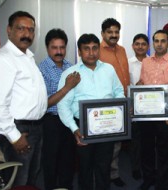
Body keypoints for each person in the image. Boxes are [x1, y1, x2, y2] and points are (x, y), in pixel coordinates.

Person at [0, 11, 48, 186]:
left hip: (34, 127)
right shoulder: (2, 60)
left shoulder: (27, 58)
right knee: (19, 180)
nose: (27, 34)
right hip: (19, 129)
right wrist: (15, 136)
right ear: (9, 30)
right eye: (21, 28)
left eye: (31, 30)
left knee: (31, 177)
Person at [57, 33, 124, 190]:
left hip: (108, 125)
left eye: (94, 48)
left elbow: (118, 91)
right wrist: (75, 129)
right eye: (86, 49)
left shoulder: (109, 69)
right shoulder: (70, 74)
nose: (91, 53)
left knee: (104, 167)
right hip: (83, 128)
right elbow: (63, 105)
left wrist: (119, 110)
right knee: (85, 168)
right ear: (79, 52)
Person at [137, 30, 168, 190]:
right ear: (153, 43)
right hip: (146, 114)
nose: (159, 44)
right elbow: (142, 82)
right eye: (156, 41)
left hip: (165, 114)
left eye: (163, 41)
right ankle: (148, 179)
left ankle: (161, 183)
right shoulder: (146, 62)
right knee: (146, 148)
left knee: (164, 150)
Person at [38, 28, 80, 190]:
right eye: (54, 48)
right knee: (51, 159)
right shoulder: (41, 70)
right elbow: (45, 103)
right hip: (52, 120)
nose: (59, 51)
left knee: (68, 158)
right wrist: (67, 87)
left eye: (62, 47)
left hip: (69, 120)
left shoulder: (71, 66)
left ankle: (66, 186)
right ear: (47, 48)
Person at [99, 17, 130, 187]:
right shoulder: (96, 50)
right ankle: (103, 174)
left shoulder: (122, 50)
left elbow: (124, 76)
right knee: (105, 144)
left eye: (116, 32)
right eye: (110, 32)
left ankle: (114, 173)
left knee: (117, 142)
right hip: (105, 104)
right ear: (102, 33)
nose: (113, 35)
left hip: (122, 103)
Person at [128, 33, 149, 180]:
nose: (140, 46)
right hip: (133, 107)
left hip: (151, 106)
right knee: (135, 140)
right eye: (137, 44)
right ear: (133, 46)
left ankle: (147, 166)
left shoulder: (153, 62)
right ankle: (136, 168)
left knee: (148, 140)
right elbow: (125, 84)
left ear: (148, 46)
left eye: (143, 44)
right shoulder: (127, 63)